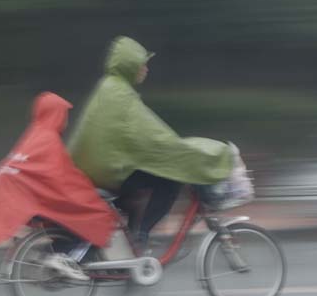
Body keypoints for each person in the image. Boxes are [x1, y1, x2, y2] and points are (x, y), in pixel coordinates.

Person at [68, 36, 234, 249]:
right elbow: (152, 136)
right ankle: (142, 236)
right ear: (130, 65)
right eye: (142, 64)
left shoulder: (108, 87)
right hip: (108, 172)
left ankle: (131, 251)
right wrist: (182, 151)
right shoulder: (122, 96)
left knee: (136, 195)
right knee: (170, 180)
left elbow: (140, 134)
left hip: (96, 169)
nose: (146, 69)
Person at [0, 92, 117, 280]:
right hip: (35, 196)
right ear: (56, 114)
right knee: (99, 216)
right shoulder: (49, 138)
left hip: (21, 195)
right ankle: (69, 259)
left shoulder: (34, 133)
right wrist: (86, 189)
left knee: (71, 221)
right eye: (64, 114)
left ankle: (54, 253)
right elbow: (62, 176)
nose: (66, 120)